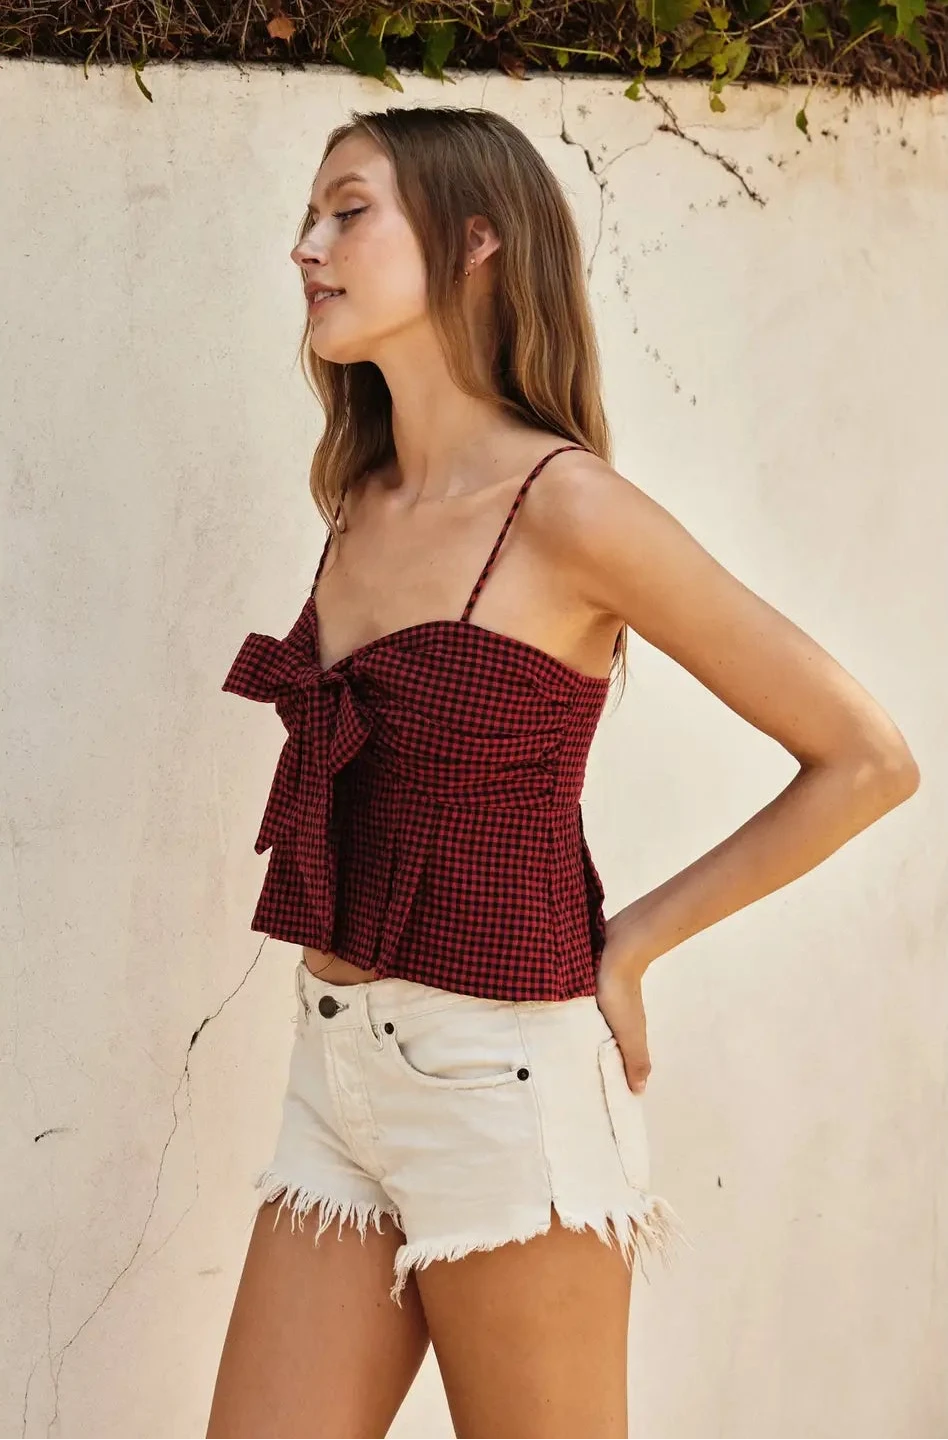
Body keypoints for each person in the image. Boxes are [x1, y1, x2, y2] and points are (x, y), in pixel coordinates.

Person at [206, 106, 920, 1440]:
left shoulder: (569, 509)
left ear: (476, 240)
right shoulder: (361, 493)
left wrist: (630, 948)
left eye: (348, 212)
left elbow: (866, 760)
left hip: (507, 1092)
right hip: (336, 1077)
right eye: (308, 216)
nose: (307, 247)